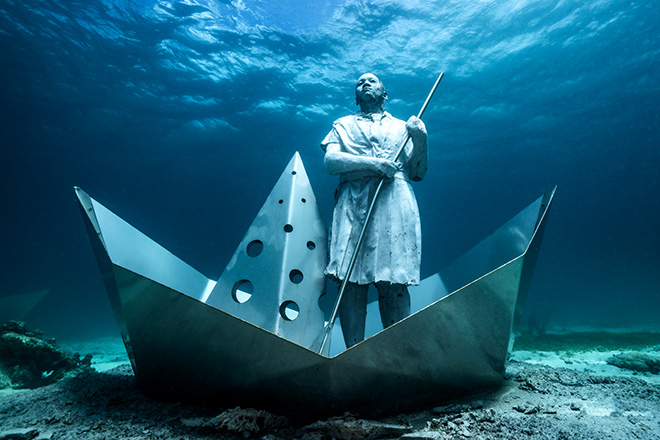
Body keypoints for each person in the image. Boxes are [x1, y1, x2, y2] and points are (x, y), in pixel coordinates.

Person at [321, 73, 428, 348]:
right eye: (360, 82)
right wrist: (374, 165)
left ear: (385, 93)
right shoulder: (342, 124)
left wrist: (421, 139)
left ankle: (396, 355)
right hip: (353, 201)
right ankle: (353, 355)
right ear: (355, 96)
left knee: (394, 278)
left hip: (394, 200)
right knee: (350, 280)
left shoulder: (404, 127)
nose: (365, 83)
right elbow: (331, 161)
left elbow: (417, 172)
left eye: (372, 80)